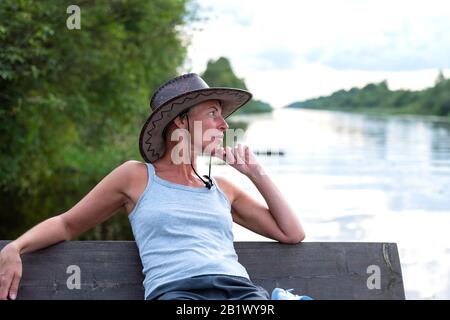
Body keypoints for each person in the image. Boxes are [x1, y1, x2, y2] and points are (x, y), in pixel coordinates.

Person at [0, 73, 305, 300]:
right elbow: (67, 224)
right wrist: (16, 247)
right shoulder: (135, 177)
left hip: (239, 293)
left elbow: (291, 233)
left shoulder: (223, 188)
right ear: (181, 122)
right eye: (213, 113)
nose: (224, 125)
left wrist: (255, 173)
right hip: (177, 294)